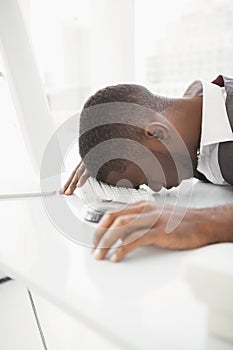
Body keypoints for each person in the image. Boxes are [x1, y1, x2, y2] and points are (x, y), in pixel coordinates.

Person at [60, 75, 233, 262]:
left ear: (157, 133)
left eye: (147, 178)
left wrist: (203, 223)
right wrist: (103, 152)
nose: (156, 187)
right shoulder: (192, 121)